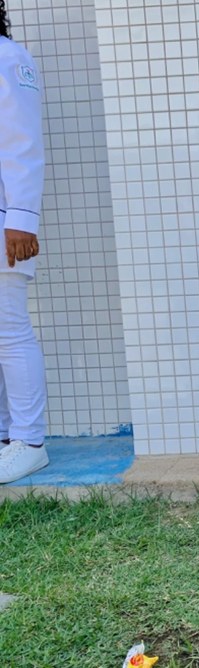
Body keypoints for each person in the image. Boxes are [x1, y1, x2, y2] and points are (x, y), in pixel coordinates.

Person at [0, 1, 49, 484]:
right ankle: (5, 437)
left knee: (9, 330)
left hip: (3, 223)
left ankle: (29, 441)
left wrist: (21, 218)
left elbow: (22, 144)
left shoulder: (7, 58)